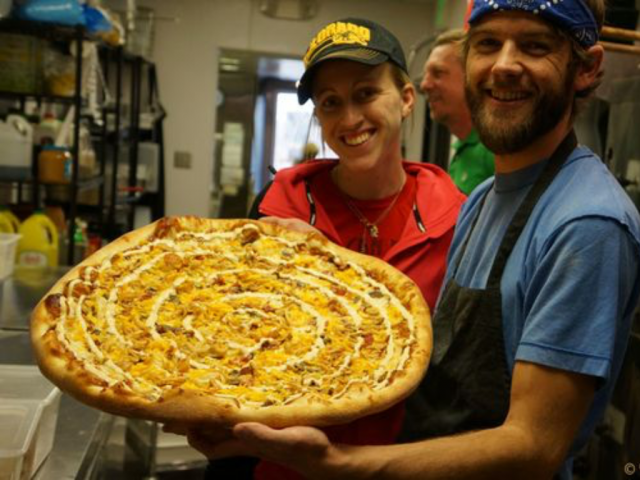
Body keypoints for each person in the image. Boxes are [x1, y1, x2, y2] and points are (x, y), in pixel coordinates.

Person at [178, 1, 640, 479]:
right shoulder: (484, 200)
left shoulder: (587, 223)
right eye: (488, 43)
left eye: (535, 45)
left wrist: (335, 463)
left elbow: (533, 446)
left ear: (586, 69)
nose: (504, 65)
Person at [190, 17, 465, 480]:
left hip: (395, 466)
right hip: (275, 467)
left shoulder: (457, 219)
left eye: (365, 93)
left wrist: (330, 269)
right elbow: (232, 339)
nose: (350, 119)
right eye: (330, 103)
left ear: (406, 98)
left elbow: (454, 370)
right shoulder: (278, 208)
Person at [421, 28, 494, 195]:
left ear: (471, 77)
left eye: (437, 73)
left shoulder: (494, 149)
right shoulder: (463, 150)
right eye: (425, 75)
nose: (424, 85)